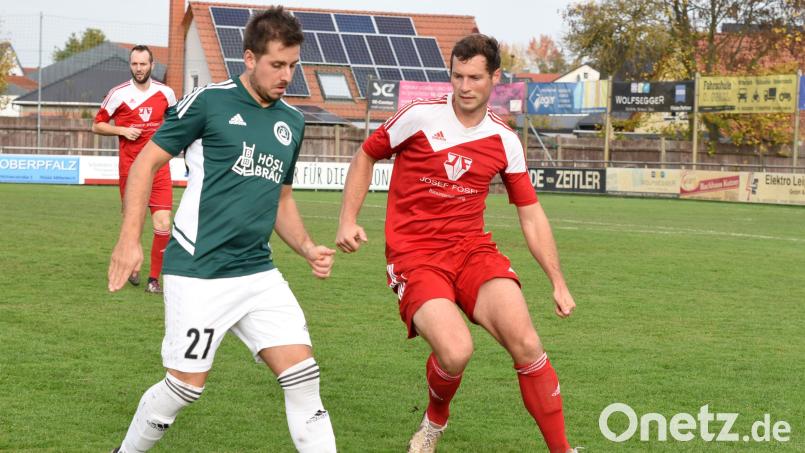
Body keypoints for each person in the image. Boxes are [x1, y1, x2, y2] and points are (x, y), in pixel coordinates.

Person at [107, 7, 336, 452]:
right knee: (184, 388)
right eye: (276, 65)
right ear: (249, 59)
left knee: (303, 377)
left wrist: (307, 246)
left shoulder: (293, 121)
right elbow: (145, 163)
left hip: (257, 273)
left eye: (292, 65)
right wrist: (127, 239)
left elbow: (281, 198)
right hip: (198, 270)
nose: (286, 75)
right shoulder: (210, 102)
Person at [336, 34, 578, 453]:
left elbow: (531, 212)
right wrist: (347, 219)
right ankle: (434, 421)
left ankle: (563, 450)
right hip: (415, 257)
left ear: (495, 78)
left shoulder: (505, 140)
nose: (465, 87)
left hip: (472, 252)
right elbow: (365, 155)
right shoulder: (418, 117)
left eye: (475, 77)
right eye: (457, 76)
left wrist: (557, 280)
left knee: (527, 343)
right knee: (456, 351)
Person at [93, 45, 177, 294]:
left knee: (163, 223)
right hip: (131, 170)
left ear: (152, 65)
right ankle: (133, 263)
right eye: (134, 64)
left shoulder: (166, 93)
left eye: (143, 64)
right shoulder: (118, 94)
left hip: (159, 168)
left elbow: (176, 124)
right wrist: (121, 130)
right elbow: (97, 125)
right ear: (130, 65)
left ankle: (154, 280)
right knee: (134, 221)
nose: (139, 68)